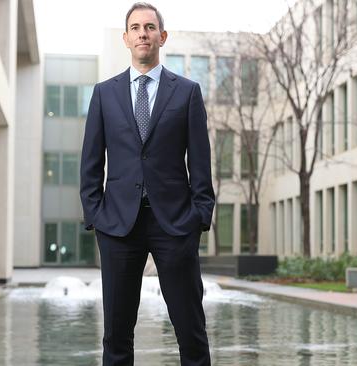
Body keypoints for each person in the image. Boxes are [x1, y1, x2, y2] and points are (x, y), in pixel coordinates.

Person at [80, 2, 214, 365]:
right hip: (118, 226)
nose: (143, 33)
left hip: (174, 224)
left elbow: (200, 162)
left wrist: (200, 216)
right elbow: (91, 162)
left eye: (150, 27)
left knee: (191, 331)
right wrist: (95, 215)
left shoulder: (187, 92)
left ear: (162, 36)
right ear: (126, 38)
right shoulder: (104, 94)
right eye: (136, 28)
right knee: (117, 336)